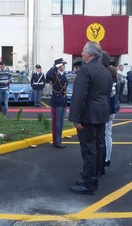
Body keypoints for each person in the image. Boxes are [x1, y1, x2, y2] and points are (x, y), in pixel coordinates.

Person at [68, 41, 113, 194]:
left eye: (83, 51)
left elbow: (79, 96)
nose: (81, 53)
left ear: (90, 53)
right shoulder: (105, 70)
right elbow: (106, 94)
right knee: (98, 147)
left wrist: (76, 118)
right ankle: (94, 176)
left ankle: (88, 184)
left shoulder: (85, 70)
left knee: (88, 150)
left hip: (88, 116)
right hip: (101, 114)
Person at [99, 51, 118, 170]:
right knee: (108, 135)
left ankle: (105, 158)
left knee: (104, 135)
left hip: (107, 111)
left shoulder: (107, 81)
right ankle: (108, 158)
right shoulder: (115, 81)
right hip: (112, 111)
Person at [46, 58, 68, 149]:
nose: (64, 66)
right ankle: (56, 142)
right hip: (57, 100)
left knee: (61, 123)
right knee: (56, 123)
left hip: (62, 100)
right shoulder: (54, 73)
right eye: (62, 65)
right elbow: (48, 75)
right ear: (58, 66)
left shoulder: (62, 74)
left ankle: (59, 140)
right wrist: (54, 67)